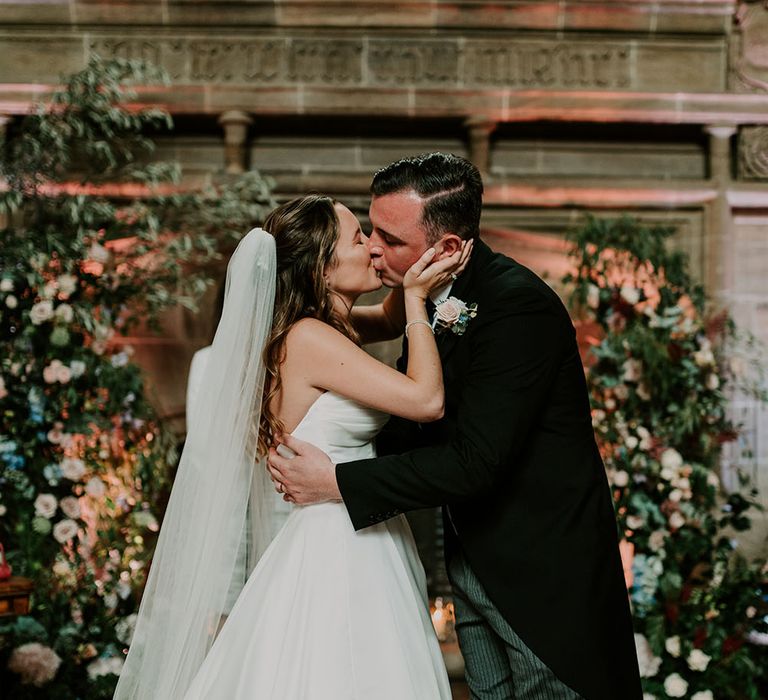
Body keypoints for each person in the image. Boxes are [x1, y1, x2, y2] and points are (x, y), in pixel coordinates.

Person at [268, 153, 643, 700]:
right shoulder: (436, 300)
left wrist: (339, 482)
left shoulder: (517, 308)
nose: (374, 247)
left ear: (446, 249)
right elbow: (406, 426)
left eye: (389, 240)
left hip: (539, 577)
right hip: (473, 564)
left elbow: (474, 460)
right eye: (368, 232)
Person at [114, 193, 471, 700]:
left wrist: (414, 262)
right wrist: (416, 300)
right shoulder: (308, 338)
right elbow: (427, 399)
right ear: (323, 270)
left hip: (352, 520)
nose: (372, 247)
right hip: (340, 539)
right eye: (358, 238)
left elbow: (388, 320)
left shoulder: (326, 327)